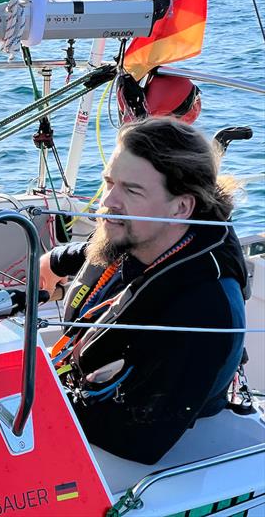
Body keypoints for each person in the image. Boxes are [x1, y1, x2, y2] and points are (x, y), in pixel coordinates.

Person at [39, 118, 247, 464]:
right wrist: (55, 260)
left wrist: (39, 397)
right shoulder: (146, 232)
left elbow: (139, 440)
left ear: (181, 207)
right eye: (109, 182)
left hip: (136, 450)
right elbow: (99, 244)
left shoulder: (205, 309)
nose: (108, 201)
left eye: (131, 191)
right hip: (80, 382)